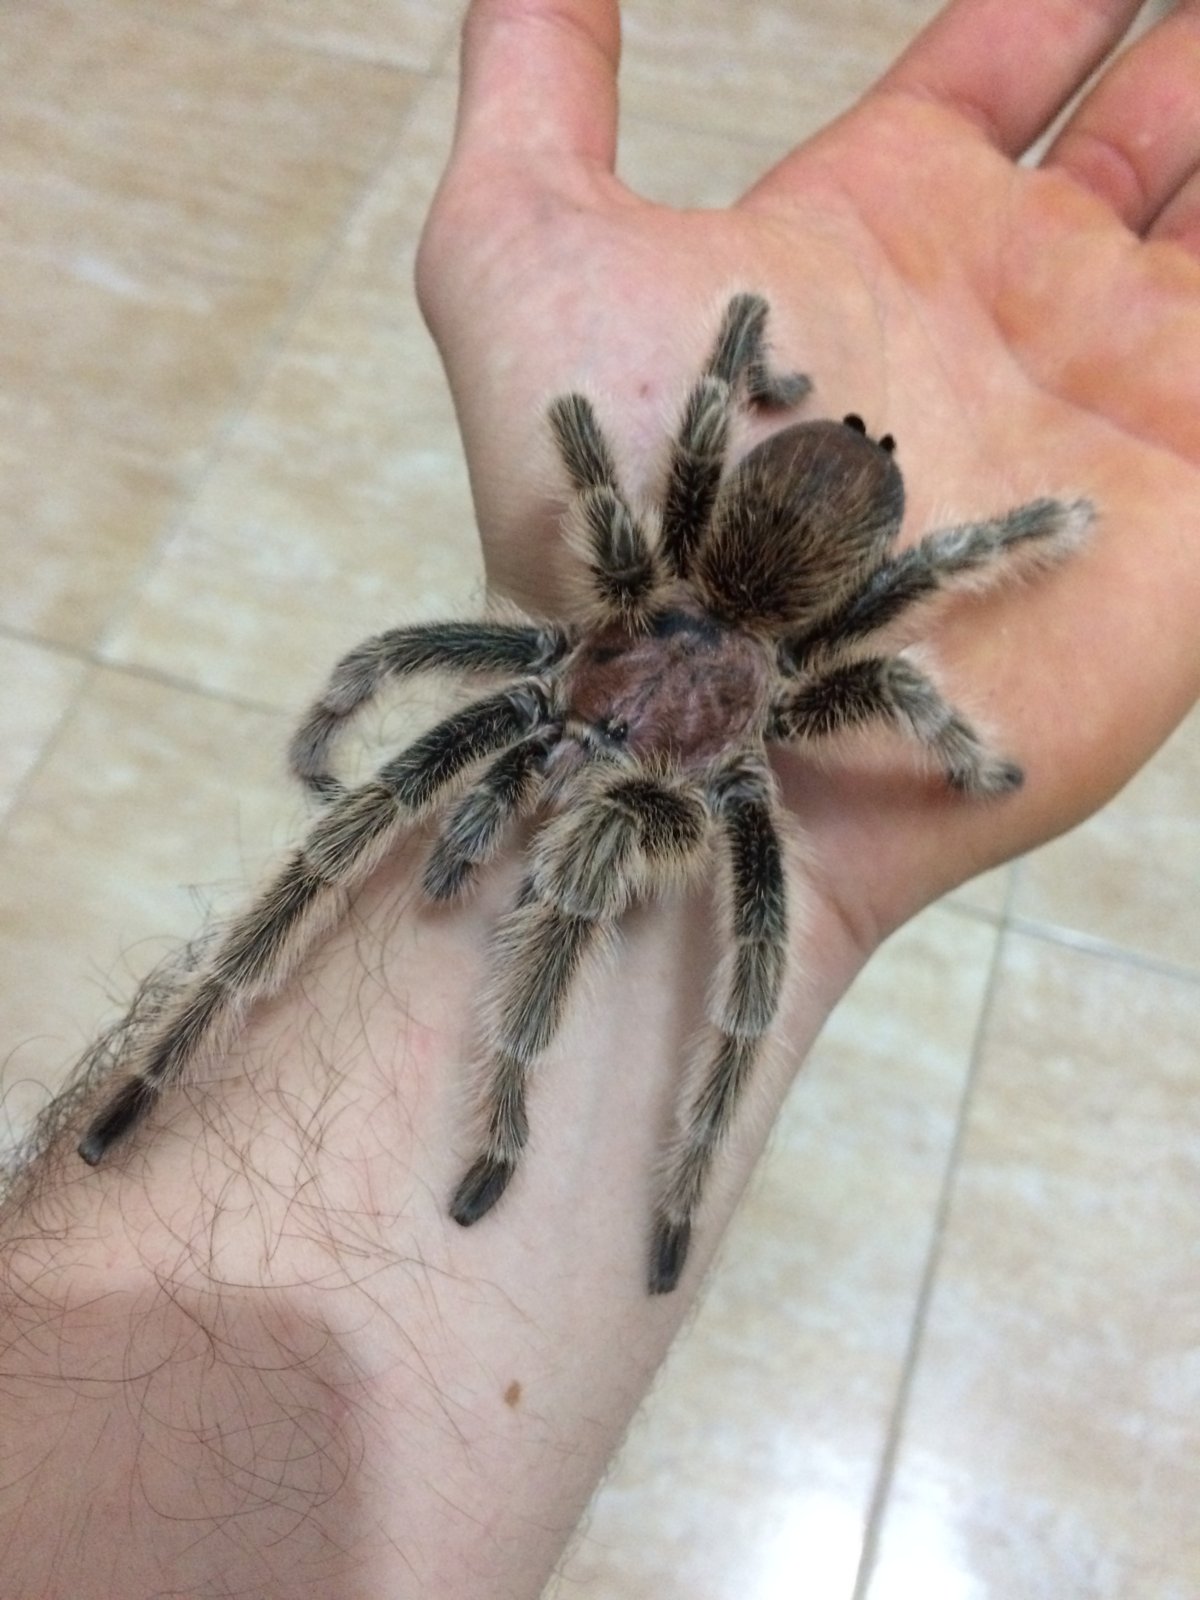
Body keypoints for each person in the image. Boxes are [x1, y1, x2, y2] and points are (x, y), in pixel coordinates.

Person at [2, 1, 1197, 1594]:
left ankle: (535, 1119)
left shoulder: (788, 708)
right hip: (691, 602)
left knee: (703, 929)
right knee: (401, 783)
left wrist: (967, 745)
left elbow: (900, 673)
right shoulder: (592, 630)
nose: (590, 745)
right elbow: (574, 465)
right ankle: (195, 1039)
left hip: (766, 629)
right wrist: (357, 700)